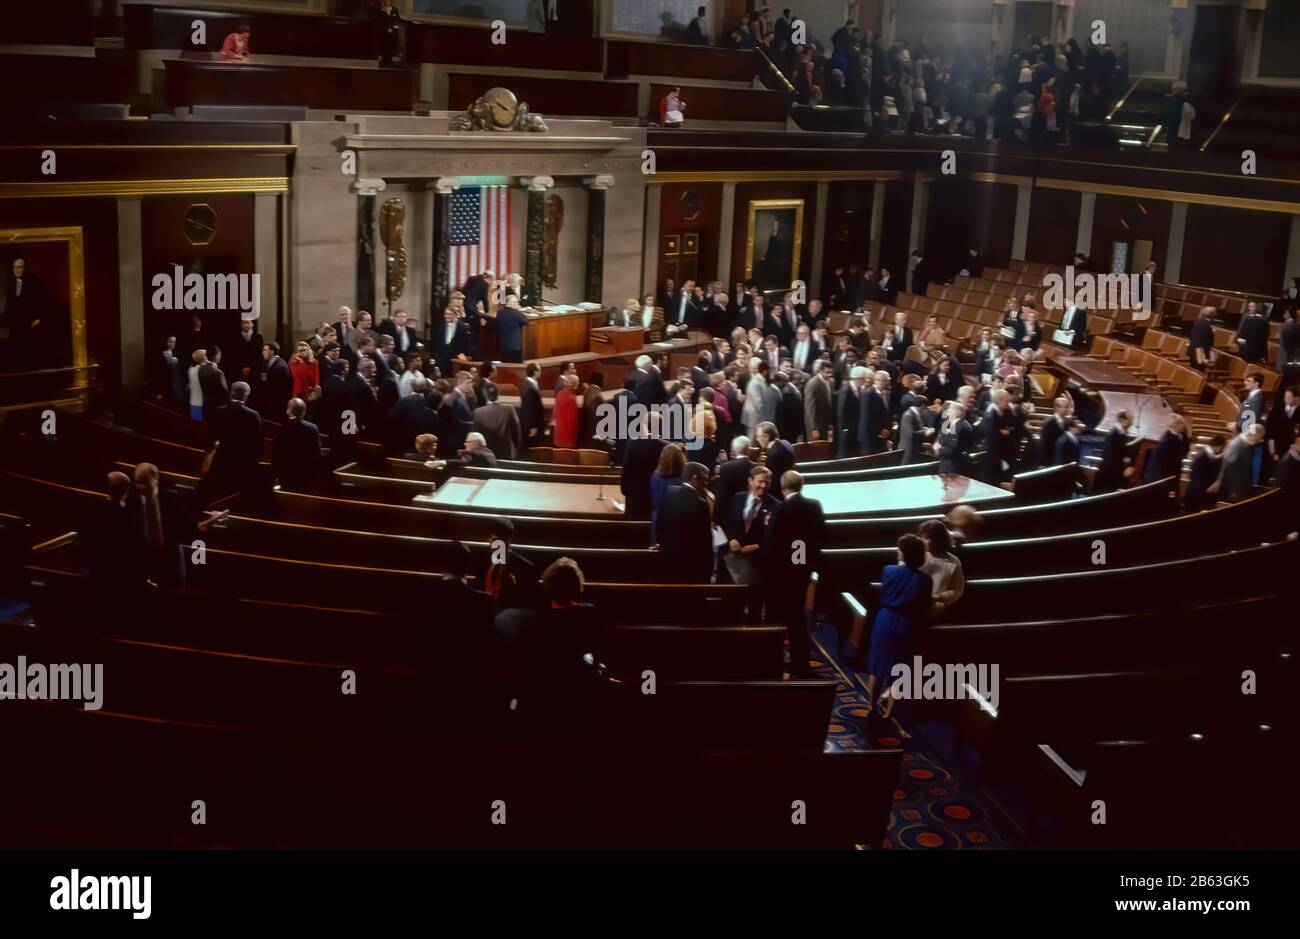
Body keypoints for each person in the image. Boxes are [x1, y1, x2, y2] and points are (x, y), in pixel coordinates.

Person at [762, 471, 824, 678]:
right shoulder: (815, 506)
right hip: (803, 571)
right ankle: (800, 666)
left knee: (775, 620)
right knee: (797, 620)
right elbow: (820, 537)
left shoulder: (780, 508)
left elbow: (771, 543)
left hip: (781, 575)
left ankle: (771, 664)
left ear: (782, 487)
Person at [864, 534, 932, 722]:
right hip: (908, 623)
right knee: (899, 667)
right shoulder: (925, 580)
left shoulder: (888, 570)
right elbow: (925, 607)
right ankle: (889, 713)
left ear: (903, 553)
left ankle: (871, 706)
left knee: (877, 663)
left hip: (885, 619)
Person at [653, 461, 714, 583]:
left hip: (668, 560)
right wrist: (709, 568)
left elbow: (660, 522)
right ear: (695, 478)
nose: (706, 483)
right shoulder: (701, 504)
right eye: (705, 479)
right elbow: (705, 539)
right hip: (690, 565)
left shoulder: (669, 492)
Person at [724, 465, 776, 593]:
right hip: (734, 558)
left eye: (767, 482)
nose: (763, 486)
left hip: (757, 562)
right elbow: (728, 521)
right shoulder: (738, 498)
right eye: (760, 481)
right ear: (750, 481)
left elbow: (775, 535)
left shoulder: (775, 506)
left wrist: (758, 546)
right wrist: (731, 539)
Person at [481, 517, 537, 611]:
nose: (499, 545)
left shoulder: (525, 568)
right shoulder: (482, 563)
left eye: (502, 540)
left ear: (510, 538)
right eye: (496, 540)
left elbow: (526, 602)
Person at [272, 397, 323, 493]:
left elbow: (277, 453)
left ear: (288, 411)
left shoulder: (283, 428)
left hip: (286, 473)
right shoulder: (313, 428)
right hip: (305, 473)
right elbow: (316, 452)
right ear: (304, 412)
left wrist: (275, 474)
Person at [918, 519, 965, 620]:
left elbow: (957, 590)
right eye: (925, 537)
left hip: (935, 606)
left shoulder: (953, 561)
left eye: (932, 538)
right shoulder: (917, 555)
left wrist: (939, 597)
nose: (928, 541)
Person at [1211, 424, 1263, 502]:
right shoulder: (1237, 444)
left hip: (1241, 486)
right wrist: (1233, 489)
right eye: (1258, 438)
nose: (1258, 441)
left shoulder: (1246, 442)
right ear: (1255, 434)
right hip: (1234, 488)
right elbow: (1227, 466)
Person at [472, 383, 522, 461]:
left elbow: (477, 437)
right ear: (498, 394)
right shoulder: (509, 410)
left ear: (485, 395)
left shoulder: (477, 412)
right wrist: (514, 450)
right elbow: (517, 435)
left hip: (486, 457)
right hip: (506, 454)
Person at [1093, 410, 1136, 493]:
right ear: (1123, 420)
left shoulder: (1120, 432)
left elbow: (1119, 452)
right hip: (1107, 477)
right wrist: (1123, 469)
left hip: (1111, 474)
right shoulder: (1114, 435)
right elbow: (1109, 459)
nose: (1132, 423)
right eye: (1130, 420)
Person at [1264, 387, 1298, 484]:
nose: (1286, 399)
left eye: (1289, 397)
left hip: (1290, 443)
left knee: (1284, 464)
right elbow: (1270, 426)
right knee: (1274, 461)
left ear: (1296, 398)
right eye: (1285, 396)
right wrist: (1271, 443)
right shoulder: (1278, 407)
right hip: (1275, 441)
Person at [1183, 435, 1225, 512]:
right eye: (1221, 447)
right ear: (1219, 446)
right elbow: (1200, 476)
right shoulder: (1205, 456)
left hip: (1198, 491)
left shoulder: (1206, 452)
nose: (1221, 450)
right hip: (1199, 493)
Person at [1144, 413, 1190, 483]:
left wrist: (1188, 436)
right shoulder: (1168, 441)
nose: (1184, 426)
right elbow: (1182, 455)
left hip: (1170, 473)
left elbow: (1184, 452)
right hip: (1162, 477)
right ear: (1175, 425)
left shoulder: (1177, 436)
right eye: (1182, 423)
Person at [755, 421, 795, 496]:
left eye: (758, 436)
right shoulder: (786, 443)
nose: (757, 439)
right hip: (788, 487)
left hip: (778, 494)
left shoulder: (772, 456)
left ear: (766, 437)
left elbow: (772, 483)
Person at [257, 343, 293, 421]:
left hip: (276, 406)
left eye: (265, 350)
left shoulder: (280, 366)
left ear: (272, 352)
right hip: (270, 404)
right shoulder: (268, 363)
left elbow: (277, 389)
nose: (263, 352)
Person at [493, 296, 530, 364]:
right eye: (516, 302)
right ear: (510, 303)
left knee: (505, 365)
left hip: (503, 346)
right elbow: (526, 320)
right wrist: (518, 310)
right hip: (515, 347)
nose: (518, 304)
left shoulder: (499, 312)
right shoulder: (516, 313)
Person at [552, 373, 580, 449]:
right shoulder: (572, 398)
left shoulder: (559, 394)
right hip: (568, 437)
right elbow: (572, 419)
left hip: (558, 433)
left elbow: (554, 413)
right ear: (574, 385)